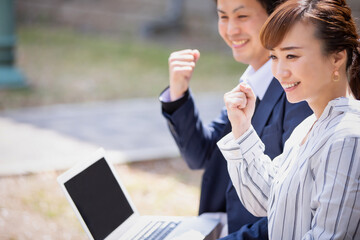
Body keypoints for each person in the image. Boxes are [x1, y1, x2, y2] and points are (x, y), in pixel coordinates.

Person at [159, 0, 312, 238]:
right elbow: (202, 155)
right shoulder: (248, 84)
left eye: (242, 17)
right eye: (223, 17)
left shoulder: (297, 94)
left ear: (276, 17)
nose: (231, 30)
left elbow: (292, 212)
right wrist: (177, 95)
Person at [217, 0, 360, 239]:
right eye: (274, 56)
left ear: (337, 58)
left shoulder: (348, 138)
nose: (280, 72)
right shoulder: (309, 126)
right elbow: (266, 200)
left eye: (292, 55)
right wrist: (242, 128)